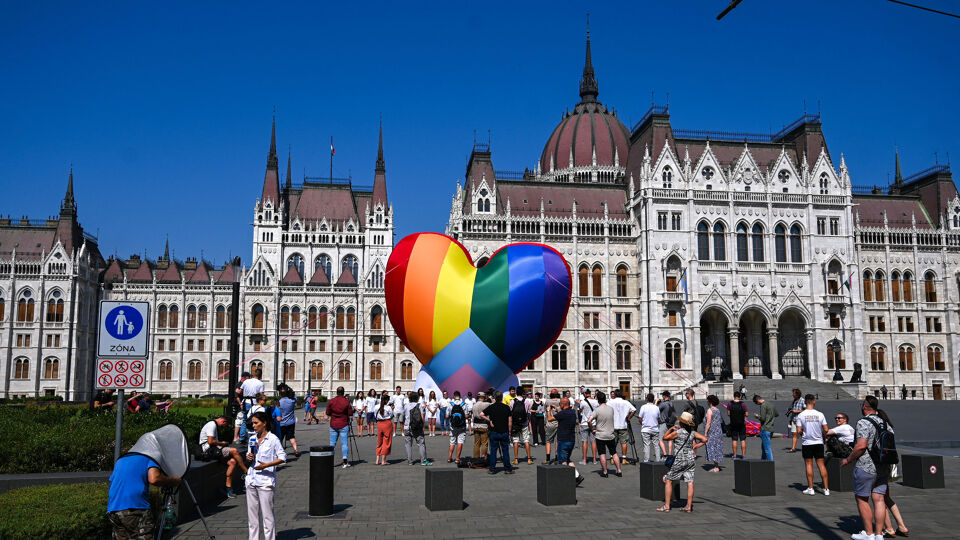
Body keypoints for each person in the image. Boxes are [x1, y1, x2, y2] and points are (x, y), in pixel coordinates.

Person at [842, 396, 896, 540]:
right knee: (879, 499)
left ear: (865, 407)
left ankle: (869, 533)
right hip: (884, 466)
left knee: (862, 498)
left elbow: (861, 446)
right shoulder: (885, 423)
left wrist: (848, 459)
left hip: (867, 465)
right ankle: (879, 534)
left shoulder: (863, 422)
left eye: (862, 405)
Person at [108, 449, 182, 539]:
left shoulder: (121, 460)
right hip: (134, 507)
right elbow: (154, 478)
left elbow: (112, 482)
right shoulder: (150, 457)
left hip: (113, 509)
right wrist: (173, 480)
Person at [246, 411, 286, 540]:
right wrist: (249, 457)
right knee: (252, 518)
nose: (253, 425)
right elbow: (249, 455)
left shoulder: (273, 439)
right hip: (251, 479)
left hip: (265, 481)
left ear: (264, 423)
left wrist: (267, 465)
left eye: (256, 423)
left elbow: (283, 457)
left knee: (267, 516)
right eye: (252, 423)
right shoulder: (252, 438)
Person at [658, 412, 707, 513]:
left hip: (679, 459)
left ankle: (667, 506)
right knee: (690, 481)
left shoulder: (678, 432)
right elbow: (705, 439)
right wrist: (696, 446)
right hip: (690, 459)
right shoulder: (692, 433)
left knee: (668, 480)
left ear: (682, 422)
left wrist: (671, 429)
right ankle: (688, 506)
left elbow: (665, 438)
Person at [199, 415, 248, 498]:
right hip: (209, 450)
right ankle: (246, 471)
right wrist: (222, 443)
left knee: (232, 462)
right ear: (223, 421)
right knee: (234, 451)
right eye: (225, 425)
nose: (223, 427)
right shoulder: (212, 425)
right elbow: (210, 441)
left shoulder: (213, 424)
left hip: (214, 450)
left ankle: (228, 489)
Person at [795, 394, 830, 496]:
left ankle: (811, 488)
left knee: (809, 464)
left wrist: (803, 434)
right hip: (818, 442)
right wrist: (823, 436)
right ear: (814, 401)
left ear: (805, 402)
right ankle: (826, 489)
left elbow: (798, 430)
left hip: (807, 442)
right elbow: (826, 429)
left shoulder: (801, 415)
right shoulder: (820, 414)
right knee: (821, 465)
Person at [547, 397, 583, 484]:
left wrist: (548, 411)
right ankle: (577, 476)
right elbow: (563, 415)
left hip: (563, 440)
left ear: (562, 404)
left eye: (560, 404)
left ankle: (565, 480)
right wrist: (558, 411)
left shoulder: (563, 413)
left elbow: (550, 419)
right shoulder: (572, 412)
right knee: (567, 459)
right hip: (571, 440)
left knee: (563, 461)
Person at [588, 391, 621, 477]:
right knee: (614, 452)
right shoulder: (611, 409)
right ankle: (619, 470)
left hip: (600, 435)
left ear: (598, 400)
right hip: (610, 434)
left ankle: (605, 472)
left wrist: (592, 429)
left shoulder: (597, 410)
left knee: (602, 453)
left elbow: (589, 420)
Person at [480, 390, 513, 474]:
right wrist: (509, 431)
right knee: (505, 450)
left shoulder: (491, 407)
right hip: (504, 431)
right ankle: (507, 468)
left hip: (494, 432)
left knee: (493, 451)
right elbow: (510, 421)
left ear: (494, 398)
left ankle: (492, 469)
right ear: (502, 398)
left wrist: (489, 420)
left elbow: (481, 414)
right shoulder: (506, 407)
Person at [326, 387, 353, 468]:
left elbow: (327, 412)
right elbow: (350, 413)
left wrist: (333, 415)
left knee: (332, 444)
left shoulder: (332, 401)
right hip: (343, 423)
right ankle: (345, 461)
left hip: (333, 424)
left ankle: (330, 461)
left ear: (336, 392)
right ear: (343, 392)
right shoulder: (346, 401)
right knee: (344, 443)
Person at [404, 391, 432, 466]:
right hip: (416, 427)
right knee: (421, 443)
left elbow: (405, 415)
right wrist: (422, 426)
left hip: (407, 427)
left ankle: (410, 461)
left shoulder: (406, 405)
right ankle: (423, 460)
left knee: (408, 444)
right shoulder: (419, 405)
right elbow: (421, 417)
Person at [609, 390, 637, 463]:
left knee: (613, 443)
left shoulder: (610, 402)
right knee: (624, 442)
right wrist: (629, 418)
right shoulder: (626, 402)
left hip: (613, 425)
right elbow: (634, 410)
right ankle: (624, 459)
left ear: (615, 395)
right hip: (623, 425)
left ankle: (612, 458)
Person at [238, 371, 265, 441]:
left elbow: (239, 391)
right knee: (255, 420)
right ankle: (254, 435)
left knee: (244, 420)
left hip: (245, 402)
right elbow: (261, 394)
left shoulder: (246, 381)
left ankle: (242, 437)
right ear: (260, 376)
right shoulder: (260, 383)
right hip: (254, 403)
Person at [753, 394, 778, 461]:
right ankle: (763, 461)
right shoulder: (771, 404)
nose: (757, 404)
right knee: (764, 447)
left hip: (765, 428)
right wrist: (770, 417)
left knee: (767, 448)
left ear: (758, 400)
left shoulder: (763, 405)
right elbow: (777, 414)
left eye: (756, 403)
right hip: (771, 428)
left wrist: (757, 416)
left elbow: (763, 418)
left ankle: (770, 463)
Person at [510, 391, 533, 465]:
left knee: (516, 440)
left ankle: (516, 459)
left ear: (516, 393)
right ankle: (529, 459)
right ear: (523, 394)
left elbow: (511, 412)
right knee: (526, 440)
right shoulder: (526, 401)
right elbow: (528, 411)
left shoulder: (512, 401)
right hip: (524, 423)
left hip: (515, 423)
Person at [637, 393, 662, 462]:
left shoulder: (643, 407)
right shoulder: (656, 408)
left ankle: (646, 461)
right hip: (655, 429)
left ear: (646, 399)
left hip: (646, 429)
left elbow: (640, 418)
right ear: (653, 400)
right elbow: (658, 418)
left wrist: (643, 424)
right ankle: (658, 460)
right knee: (656, 445)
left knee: (646, 445)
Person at [577, 389, 599, 464]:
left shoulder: (583, 402)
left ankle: (584, 460)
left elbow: (580, 411)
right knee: (593, 441)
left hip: (584, 423)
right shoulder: (596, 402)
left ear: (586, 394)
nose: (583, 395)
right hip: (593, 423)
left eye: (583, 394)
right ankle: (595, 459)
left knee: (584, 441)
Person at [275, 387, 299, 457]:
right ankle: (296, 450)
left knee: (280, 438)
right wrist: (289, 390)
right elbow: (295, 396)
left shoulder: (279, 402)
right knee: (291, 437)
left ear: (280, 394)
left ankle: (280, 451)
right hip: (290, 422)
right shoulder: (291, 401)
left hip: (281, 423)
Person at [703, 395, 724, 472]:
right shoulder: (717, 410)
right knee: (717, 448)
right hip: (718, 431)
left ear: (710, 402)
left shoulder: (710, 410)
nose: (707, 402)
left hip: (712, 432)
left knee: (712, 447)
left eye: (708, 401)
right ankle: (716, 465)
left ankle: (716, 467)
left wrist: (705, 432)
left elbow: (708, 422)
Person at [682, 389, 703, 458]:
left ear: (689, 394)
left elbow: (684, 413)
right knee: (694, 437)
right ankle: (694, 454)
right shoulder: (696, 402)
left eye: (686, 394)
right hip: (695, 421)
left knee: (687, 437)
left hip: (689, 421)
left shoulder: (687, 403)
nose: (685, 395)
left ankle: (688, 453)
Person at [447, 391, 467, 463]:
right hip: (462, 426)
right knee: (460, 442)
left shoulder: (450, 404)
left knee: (452, 442)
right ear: (460, 396)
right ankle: (457, 458)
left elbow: (446, 416)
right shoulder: (464, 404)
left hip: (453, 426)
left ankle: (449, 458)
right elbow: (466, 416)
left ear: (454, 396)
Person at [727, 391, 748, 459]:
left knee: (734, 440)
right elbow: (747, 414)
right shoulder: (743, 404)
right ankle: (744, 456)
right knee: (743, 439)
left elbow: (728, 414)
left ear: (734, 396)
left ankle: (735, 455)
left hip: (733, 423)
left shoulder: (730, 403)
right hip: (741, 423)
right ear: (740, 397)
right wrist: (742, 414)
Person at [543, 389, 561, 464]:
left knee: (548, 441)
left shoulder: (547, 401)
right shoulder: (560, 401)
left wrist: (544, 423)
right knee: (558, 441)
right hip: (559, 423)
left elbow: (545, 412)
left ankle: (547, 459)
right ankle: (557, 458)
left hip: (550, 423)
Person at [375, 393, 394, 465]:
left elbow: (375, 416)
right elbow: (391, 415)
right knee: (386, 441)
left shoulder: (376, 406)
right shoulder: (388, 408)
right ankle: (383, 460)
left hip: (379, 424)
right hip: (387, 423)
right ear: (386, 400)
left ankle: (377, 460)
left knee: (379, 441)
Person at [657, 391, 677, 456]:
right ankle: (670, 454)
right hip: (671, 423)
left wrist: (656, 402)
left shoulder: (663, 404)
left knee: (660, 439)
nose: (662, 397)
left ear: (665, 396)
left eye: (662, 396)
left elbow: (655, 409)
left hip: (664, 423)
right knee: (670, 439)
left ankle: (665, 453)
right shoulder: (671, 403)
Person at [471, 392, 491, 458]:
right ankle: (483, 457)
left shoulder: (474, 405)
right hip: (483, 425)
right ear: (483, 397)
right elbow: (493, 404)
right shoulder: (485, 404)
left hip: (476, 425)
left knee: (476, 444)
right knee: (484, 443)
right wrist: (490, 398)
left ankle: (476, 458)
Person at [787, 388, 805, 453]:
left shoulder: (803, 400)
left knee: (801, 434)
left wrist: (797, 411)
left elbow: (806, 410)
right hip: (794, 419)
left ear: (797, 394)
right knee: (794, 434)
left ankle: (806, 447)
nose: (793, 395)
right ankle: (793, 448)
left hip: (800, 420)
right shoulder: (794, 401)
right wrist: (790, 419)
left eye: (793, 393)